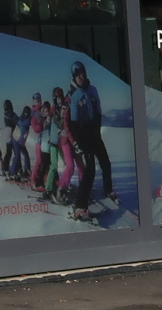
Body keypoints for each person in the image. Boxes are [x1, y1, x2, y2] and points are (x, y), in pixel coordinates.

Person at [67, 62, 111, 220]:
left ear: (85, 74)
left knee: (106, 163)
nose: (79, 77)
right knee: (90, 170)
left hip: (95, 134)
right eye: (76, 75)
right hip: (84, 137)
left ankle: (108, 190)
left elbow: (98, 111)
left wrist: (97, 131)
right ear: (74, 78)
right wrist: (80, 142)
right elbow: (73, 123)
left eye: (81, 74)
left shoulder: (93, 90)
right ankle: (80, 205)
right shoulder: (75, 97)